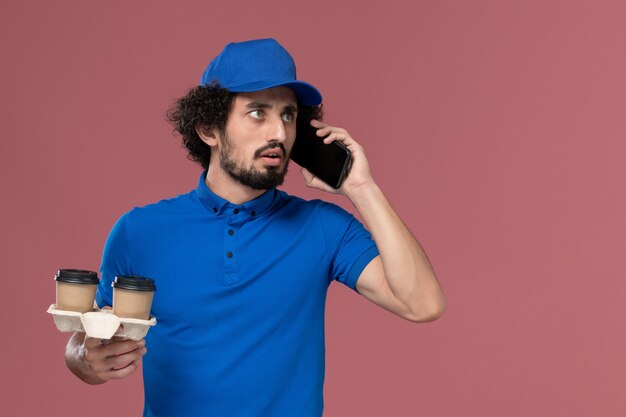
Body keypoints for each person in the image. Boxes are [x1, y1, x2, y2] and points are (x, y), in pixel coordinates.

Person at [64, 38, 445, 417]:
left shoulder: (323, 227)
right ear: (209, 129)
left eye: (288, 115)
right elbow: (89, 339)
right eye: (258, 113)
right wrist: (85, 357)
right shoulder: (138, 232)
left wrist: (362, 188)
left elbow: (422, 304)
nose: (278, 133)